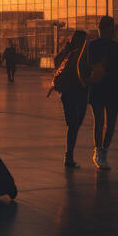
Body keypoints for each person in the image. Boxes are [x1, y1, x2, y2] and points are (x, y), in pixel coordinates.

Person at [81, 16, 118, 170]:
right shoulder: (103, 45)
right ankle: (101, 151)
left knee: (102, 122)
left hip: (101, 86)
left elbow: (116, 66)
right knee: (107, 122)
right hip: (107, 86)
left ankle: (100, 151)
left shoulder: (98, 45)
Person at [52, 30, 88, 169]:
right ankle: (69, 156)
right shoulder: (80, 53)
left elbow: (56, 63)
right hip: (77, 92)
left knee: (73, 125)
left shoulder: (68, 51)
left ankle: (69, 155)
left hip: (66, 93)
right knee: (75, 125)